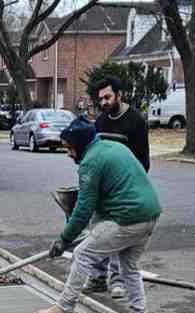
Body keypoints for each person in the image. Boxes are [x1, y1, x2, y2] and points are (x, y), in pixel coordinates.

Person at [36, 116, 161, 313]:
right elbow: (100, 205)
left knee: (82, 254)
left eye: (70, 148)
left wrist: (64, 240)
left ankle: (65, 307)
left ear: (80, 145)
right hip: (149, 216)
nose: (68, 153)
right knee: (129, 267)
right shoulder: (112, 147)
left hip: (126, 218)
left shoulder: (90, 162)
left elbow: (84, 209)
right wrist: (80, 233)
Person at [87, 77, 151, 299]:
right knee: (97, 231)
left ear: (119, 95)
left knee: (117, 236)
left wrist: (131, 186)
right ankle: (96, 278)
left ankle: (117, 281)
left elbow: (143, 161)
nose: (103, 103)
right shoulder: (101, 121)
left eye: (107, 97)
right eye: (100, 99)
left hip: (124, 189)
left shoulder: (135, 122)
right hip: (104, 187)